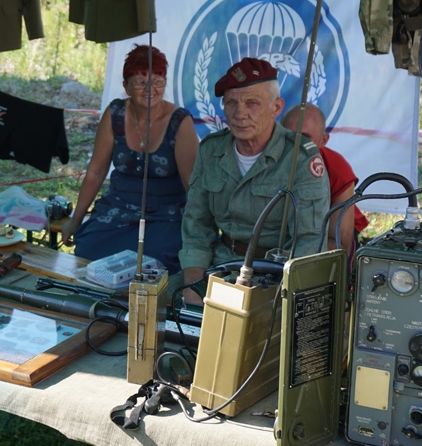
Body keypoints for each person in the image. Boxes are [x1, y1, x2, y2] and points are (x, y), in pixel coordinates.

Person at [179, 57, 330, 304]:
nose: (240, 114)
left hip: (275, 275)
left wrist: (285, 299)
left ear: (276, 108)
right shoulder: (211, 151)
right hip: (221, 266)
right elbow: (196, 227)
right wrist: (192, 287)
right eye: (231, 103)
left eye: (252, 103)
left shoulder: (300, 159)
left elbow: (309, 241)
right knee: (160, 308)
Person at [61, 45, 199, 275]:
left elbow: (192, 185)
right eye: (140, 82)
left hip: (166, 215)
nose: (150, 89)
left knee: (154, 262)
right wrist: (75, 220)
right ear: (126, 86)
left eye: (157, 81)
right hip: (118, 209)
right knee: (88, 251)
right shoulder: (115, 113)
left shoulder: (179, 121)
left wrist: (200, 235)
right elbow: (96, 171)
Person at [281, 103, 369, 256]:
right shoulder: (262, 158)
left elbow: (340, 246)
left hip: (317, 241)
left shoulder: (336, 168)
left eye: (304, 138)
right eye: (288, 136)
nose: (294, 145)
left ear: (323, 141)